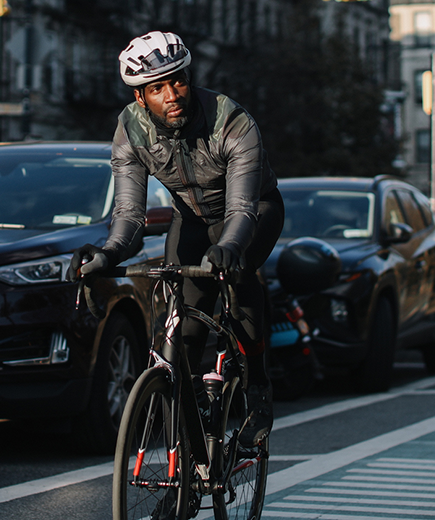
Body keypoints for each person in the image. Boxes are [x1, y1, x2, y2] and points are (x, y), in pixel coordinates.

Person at [69, 30, 283, 447]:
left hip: (253, 212)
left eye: (178, 80)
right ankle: (184, 461)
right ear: (139, 98)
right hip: (192, 222)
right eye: (157, 87)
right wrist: (108, 254)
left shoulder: (231, 121)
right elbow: (130, 215)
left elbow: (240, 211)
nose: (172, 94)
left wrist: (231, 249)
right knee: (180, 337)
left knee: (237, 283)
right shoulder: (130, 130)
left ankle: (257, 388)